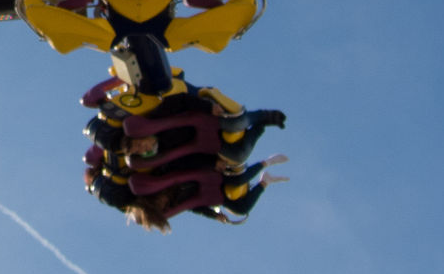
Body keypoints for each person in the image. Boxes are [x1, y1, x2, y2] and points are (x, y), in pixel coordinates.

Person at [82, 76, 289, 229]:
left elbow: (179, 103)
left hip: (199, 115)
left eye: (139, 146)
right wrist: (213, 214)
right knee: (239, 191)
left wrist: (206, 108)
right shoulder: (170, 189)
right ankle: (263, 158)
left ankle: (262, 118)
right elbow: (193, 200)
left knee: (237, 123)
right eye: (163, 207)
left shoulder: (153, 137)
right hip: (207, 150)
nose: (143, 149)